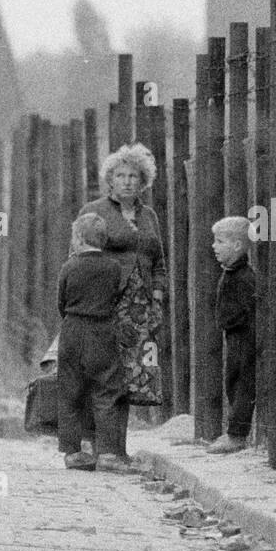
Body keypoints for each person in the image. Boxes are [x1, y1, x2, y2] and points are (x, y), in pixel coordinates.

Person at [73, 143, 167, 468]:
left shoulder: (149, 216)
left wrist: (157, 296)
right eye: (120, 176)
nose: (127, 182)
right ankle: (102, 449)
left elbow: (158, 262)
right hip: (106, 304)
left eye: (134, 176)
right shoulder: (94, 210)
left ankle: (117, 450)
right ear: (110, 180)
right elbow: (80, 253)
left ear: (143, 182)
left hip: (140, 311)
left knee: (129, 378)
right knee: (105, 374)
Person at [56, 213, 123, 472]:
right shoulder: (114, 267)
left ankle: (72, 452)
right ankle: (107, 453)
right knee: (106, 391)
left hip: (72, 330)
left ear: (80, 238)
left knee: (70, 392)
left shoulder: (69, 267)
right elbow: (115, 297)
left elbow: (60, 303)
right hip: (102, 331)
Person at [207, 216, 256, 454]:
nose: (214, 246)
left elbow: (247, 310)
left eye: (220, 241)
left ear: (237, 245)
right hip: (235, 336)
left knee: (242, 382)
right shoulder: (231, 271)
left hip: (245, 338)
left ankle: (237, 435)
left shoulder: (244, 276)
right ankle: (234, 432)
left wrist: (229, 320)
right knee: (232, 380)